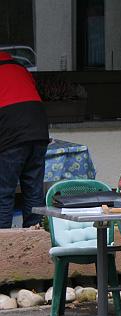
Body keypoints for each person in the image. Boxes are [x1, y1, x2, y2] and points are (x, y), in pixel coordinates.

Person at [0, 51, 49, 228]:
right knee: (34, 192)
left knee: (3, 194)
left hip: (11, 136)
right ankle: (34, 241)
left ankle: (3, 246)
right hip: (39, 132)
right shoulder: (20, 68)